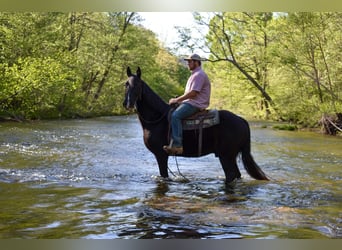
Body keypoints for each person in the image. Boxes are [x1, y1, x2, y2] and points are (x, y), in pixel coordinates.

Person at [163, 53, 211, 155]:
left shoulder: (199, 75)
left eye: (190, 61)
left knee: (175, 116)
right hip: (192, 102)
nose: (188, 63)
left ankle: (178, 145)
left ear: (196, 62)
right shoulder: (194, 75)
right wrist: (180, 100)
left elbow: (193, 93)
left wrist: (177, 100)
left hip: (195, 104)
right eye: (188, 61)